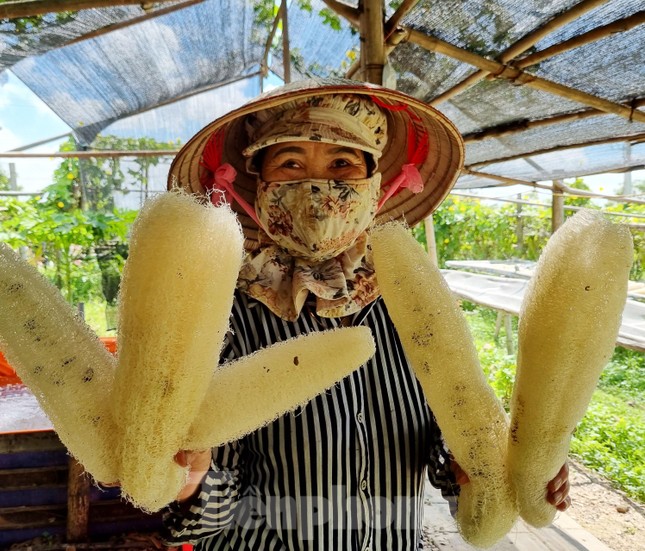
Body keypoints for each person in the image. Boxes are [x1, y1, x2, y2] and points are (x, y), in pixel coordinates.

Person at [162, 78, 570, 550]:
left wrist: (486, 467)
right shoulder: (223, 314)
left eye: (342, 163)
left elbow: (446, 444)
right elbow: (204, 518)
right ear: (258, 187)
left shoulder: (412, 308)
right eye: (290, 163)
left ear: (374, 186)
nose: (317, 187)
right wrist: (190, 483)